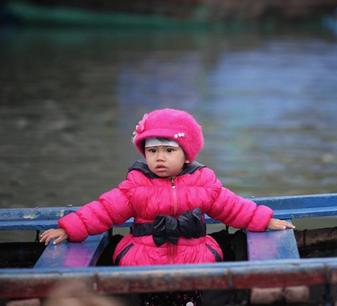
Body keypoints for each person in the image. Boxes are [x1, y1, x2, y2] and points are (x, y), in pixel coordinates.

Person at [39, 108, 294, 304]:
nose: (159, 157)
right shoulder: (135, 184)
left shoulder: (203, 181)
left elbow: (233, 207)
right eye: (152, 151)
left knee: (204, 284)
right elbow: (103, 210)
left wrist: (265, 220)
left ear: (186, 154)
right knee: (136, 286)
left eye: (169, 150)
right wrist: (69, 228)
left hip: (194, 255)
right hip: (144, 256)